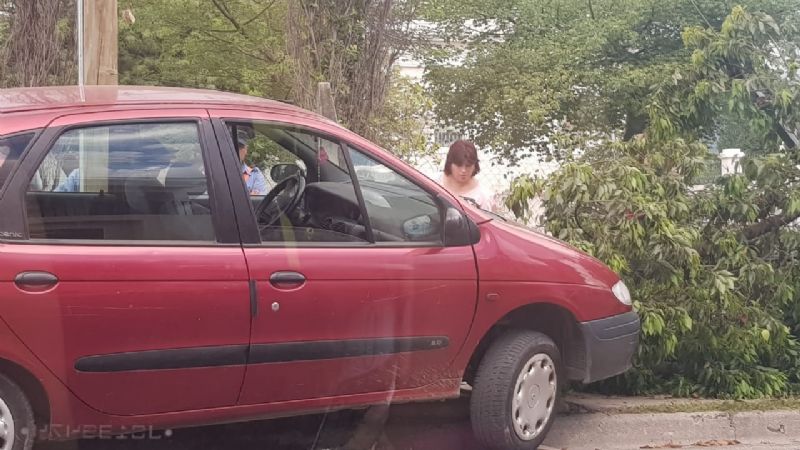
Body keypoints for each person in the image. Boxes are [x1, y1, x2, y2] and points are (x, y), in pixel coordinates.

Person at [438, 139, 496, 211]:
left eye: (468, 166)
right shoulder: (434, 183)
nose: (463, 170)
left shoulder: (484, 197)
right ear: (450, 163)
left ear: (475, 166)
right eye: (459, 165)